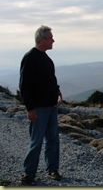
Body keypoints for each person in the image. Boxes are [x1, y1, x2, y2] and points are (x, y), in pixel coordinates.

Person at [19, 25, 63, 186]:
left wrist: (57, 91)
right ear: (42, 39)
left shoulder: (46, 58)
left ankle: (52, 169)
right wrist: (30, 108)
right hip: (39, 108)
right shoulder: (30, 57)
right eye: (51, 38)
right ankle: (28, 173)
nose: (53, 40)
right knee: (36, 141)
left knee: (53, 139)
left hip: (51, 106)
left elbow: (50, 79)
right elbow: (24, 85)